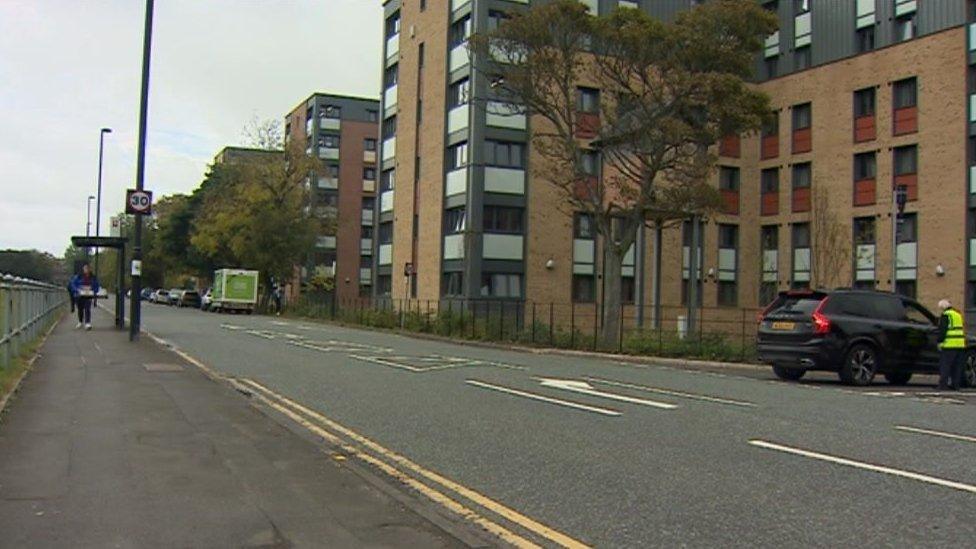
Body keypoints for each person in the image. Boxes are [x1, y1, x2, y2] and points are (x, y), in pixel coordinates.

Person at [936, 298, 966, 390]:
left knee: (945, 365)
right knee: (957, 366)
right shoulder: (958, 314)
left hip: (949, 344)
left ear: (942, 307)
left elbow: (943, 330)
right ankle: (956, 385)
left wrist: (940, 342)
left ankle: (943, 385)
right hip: (960, 344)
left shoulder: (946, 315)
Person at [69, 263, 100, 331]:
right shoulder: (78, 276)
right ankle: (80, 321)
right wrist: (77, 290)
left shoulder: (93, 277)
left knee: (87, 307)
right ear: (83, 269)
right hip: (79, 294)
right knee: (80, 308)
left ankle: (87, 323)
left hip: (88, 294)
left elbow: (97, 285)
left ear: (90, 269)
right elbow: (73, 284)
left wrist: (94, 291)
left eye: (88, 268)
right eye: (85, 268)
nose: (87, 270)